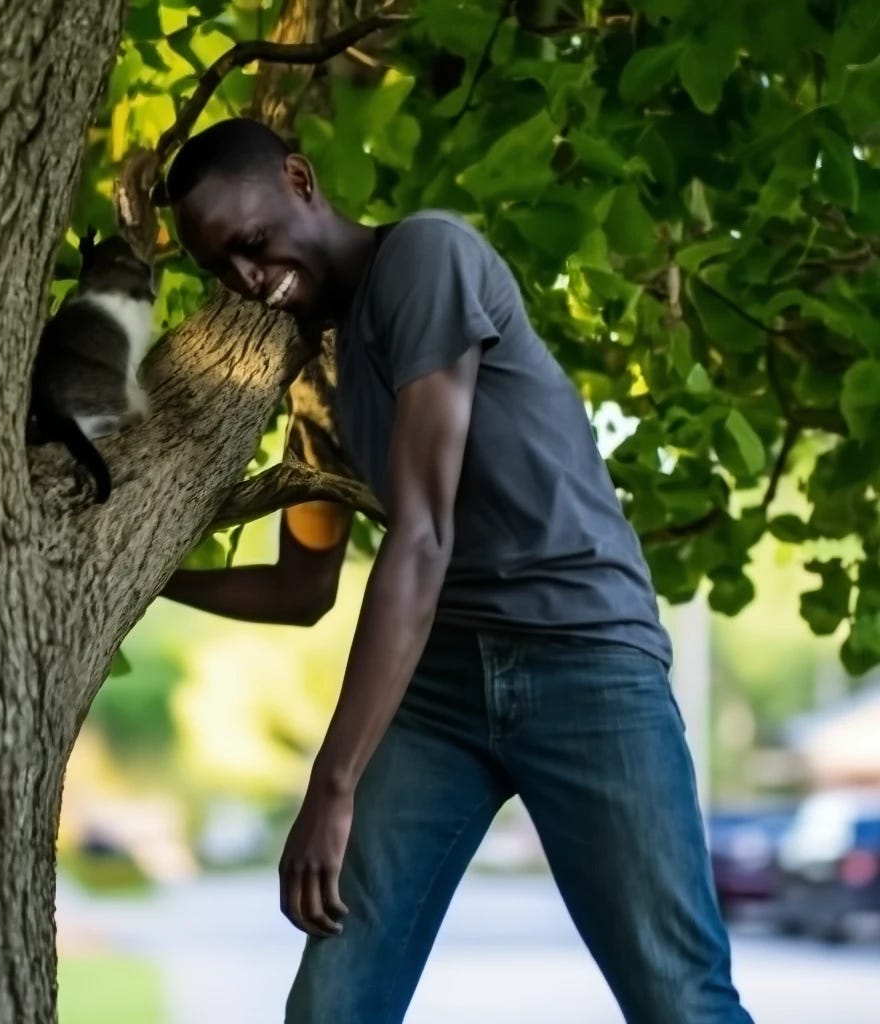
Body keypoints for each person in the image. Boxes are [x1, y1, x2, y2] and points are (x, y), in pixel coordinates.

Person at [160, 117, 754, 1024]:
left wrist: (333, 783)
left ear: (300, 180)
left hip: (585, 659)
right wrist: (147, 579)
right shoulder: (316, 382)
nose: (246, 277)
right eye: (221, 267)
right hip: (441, 689)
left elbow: (423, 536)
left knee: (679, 999)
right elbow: (300, 588)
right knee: (333, 1006)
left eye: (252, 241)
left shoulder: (427, 258)